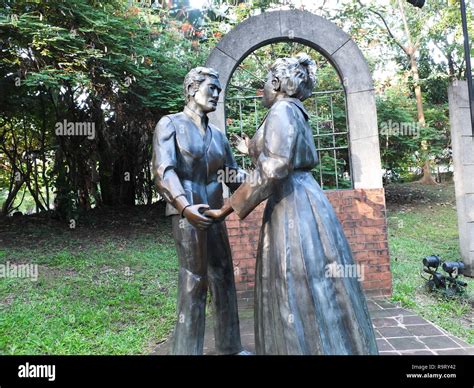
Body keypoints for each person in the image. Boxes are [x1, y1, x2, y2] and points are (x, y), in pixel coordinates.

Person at [205, 54, 378, 355]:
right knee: (316, 285)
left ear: (275, 83)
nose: (262, 92)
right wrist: (252, 149)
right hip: (301, 200)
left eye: (264, 85)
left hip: (293, 207)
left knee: (294, 283)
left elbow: (275, 169)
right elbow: (279, 157)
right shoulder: (293, 111)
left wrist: (226, 208)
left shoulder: (282, 110)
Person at [152, 67, 248, 355]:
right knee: (194, 280)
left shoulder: (218, 135)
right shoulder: (169, 124)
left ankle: (231, 346)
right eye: (211, 88)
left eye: (219, 89)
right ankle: (186, 350)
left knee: (223, 275)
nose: (217, 94)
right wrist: (183, 206)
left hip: (216, 210)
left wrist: (262, 176)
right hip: (186, 211)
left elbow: (233, 175)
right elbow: (163, 171)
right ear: (192, 89)